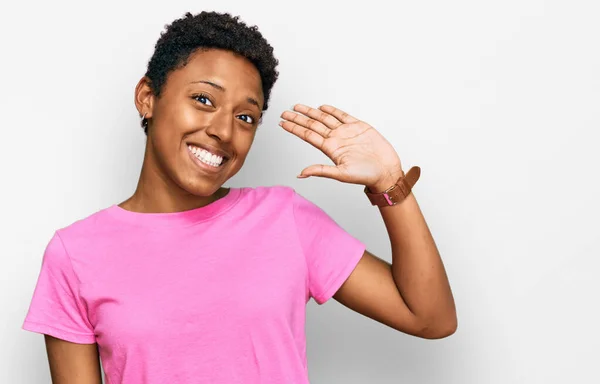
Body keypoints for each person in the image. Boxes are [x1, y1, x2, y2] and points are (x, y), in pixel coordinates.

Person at [22, 11, 457, 384]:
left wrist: (389, 183)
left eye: (245, 116)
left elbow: (429, 317)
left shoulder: (284, 218)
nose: (224, 132)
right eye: (203, 99)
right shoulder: (74, 254)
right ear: (148, 98)